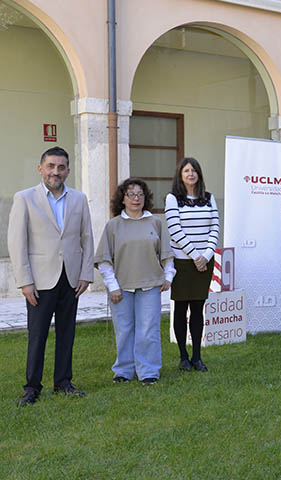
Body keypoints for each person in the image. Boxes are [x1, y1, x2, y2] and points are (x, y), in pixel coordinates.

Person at [8, 147, 94, 406]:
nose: (56, 172)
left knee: (67, 333)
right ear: (41, 169)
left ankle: (63, 382)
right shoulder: (24, 198)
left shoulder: (78, 199)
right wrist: (25, 281)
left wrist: (85, 274)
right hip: (39, 281)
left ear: (67, 170)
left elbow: (86, 238)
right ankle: (32, 387)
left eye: (61, 167)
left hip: (71, 278)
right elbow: (17, 242)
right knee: (38, 335)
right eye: (51, 166)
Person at [96, 178, 175, 385]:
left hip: (150, 285)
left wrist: (168, 277)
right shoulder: (113, 226)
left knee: (148, 329)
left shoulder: (155, 222)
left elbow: (166, 254)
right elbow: (104, 260)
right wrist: (112, 286)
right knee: (124, 330)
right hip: (121, 287)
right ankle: (124, 370)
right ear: (122, 199)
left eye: (140, 194)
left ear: (145, 198)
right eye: (130, 194)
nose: (136, 198)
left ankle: (148, 371)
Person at [165, 157, 220, 372]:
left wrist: (206, 256)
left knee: (198, 308)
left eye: (194, 170)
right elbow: (174, 230)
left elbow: (215, 226)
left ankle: (197, 356)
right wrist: (195, 255)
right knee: (180, 308)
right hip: (183, 261)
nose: (191, 174)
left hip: (204, 263)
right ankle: (183, 357)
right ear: (180, 174)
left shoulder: (208, 198)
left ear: (199, 174)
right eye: (186, 170)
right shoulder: (173, 199)